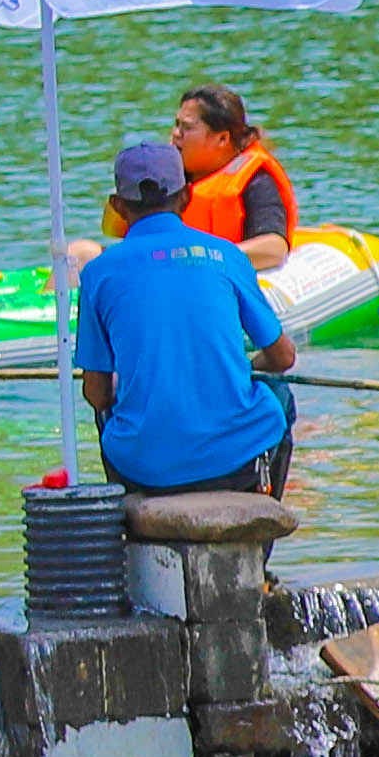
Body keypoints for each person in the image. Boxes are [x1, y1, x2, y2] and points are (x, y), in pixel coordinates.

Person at [71, 136, 300, 498]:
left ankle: (129, 511)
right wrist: (245, 366)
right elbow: (283, 357)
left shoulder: (98, 273)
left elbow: (96, 393)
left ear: (117, 206)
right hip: (234, 464)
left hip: (143, 468)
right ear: (186, 196)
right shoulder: (227, 256)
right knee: (279, 395)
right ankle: (266, 518)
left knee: (110, 411)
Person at [166, 83, 298, 266]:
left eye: (186, 128)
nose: (175, 134)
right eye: (176, 124)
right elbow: (119, 227)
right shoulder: (165, 177)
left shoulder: (255, 181)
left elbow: (274, 249)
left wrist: (201, 257)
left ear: (222, 139)